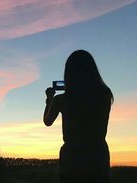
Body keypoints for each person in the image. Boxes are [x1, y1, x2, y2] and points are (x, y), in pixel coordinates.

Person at [43, 50, 113, 183]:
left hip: (71, 160)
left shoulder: (61, 100)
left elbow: (47, 121)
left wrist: (49, 99)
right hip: (98, 157)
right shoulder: (104, 95)